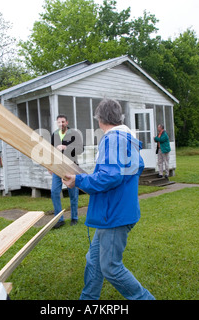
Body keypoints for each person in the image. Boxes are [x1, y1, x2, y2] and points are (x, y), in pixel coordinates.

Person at [63, 99, 155, 300]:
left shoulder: (112, 139)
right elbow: (123, 171)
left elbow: (110, 176)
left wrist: (79, 180)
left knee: (111, 267)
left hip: (114, 214)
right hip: (119, 210)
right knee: (94, 261)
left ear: (99, 118)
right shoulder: (127, 138)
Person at [51, 114, 83, 229]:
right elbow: (51, 151)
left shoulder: (74, 134)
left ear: (67, 122)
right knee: (54, 192)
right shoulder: (54, 134)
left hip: (71, 166)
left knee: (73, 193)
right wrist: (50, 166)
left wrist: (66, 148)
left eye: (63, 122)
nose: (61, 124)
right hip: (57, 167)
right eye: (59, 122)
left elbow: (80, 149)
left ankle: (74, 217)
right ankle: (59, 219)